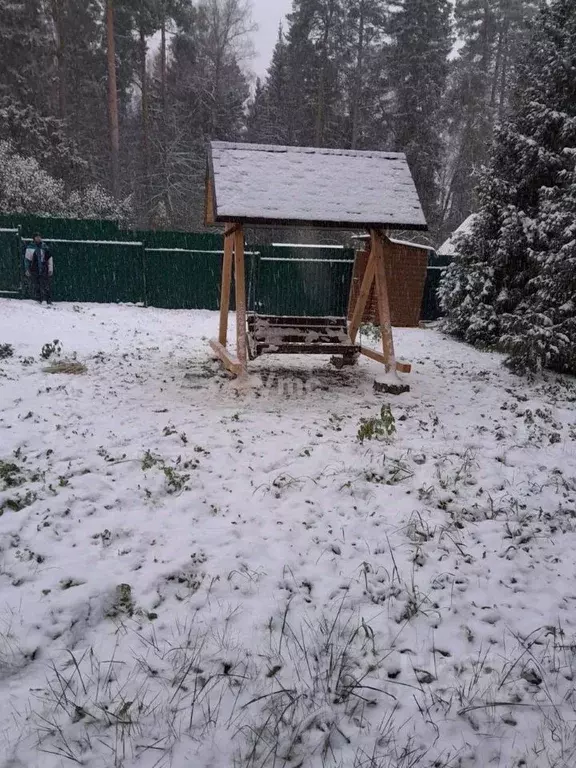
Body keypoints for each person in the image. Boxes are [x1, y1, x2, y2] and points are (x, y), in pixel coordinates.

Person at [24, 234, 53, 305]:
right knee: (36, 283)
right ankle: (39, 299)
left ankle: (47, 299)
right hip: (35, 267)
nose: (39, 238)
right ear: (34, 239)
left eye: (40, 237)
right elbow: (27, 260)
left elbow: (49, 258)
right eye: (37, 237)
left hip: (43, 267)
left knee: (45, 284)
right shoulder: (30, 248)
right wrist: (27, 269)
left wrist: (50, 268)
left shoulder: (45, 247)